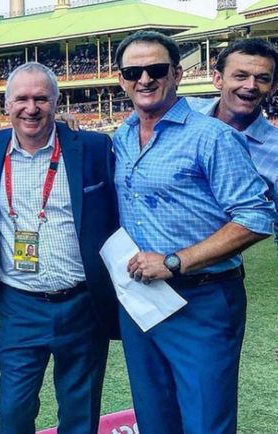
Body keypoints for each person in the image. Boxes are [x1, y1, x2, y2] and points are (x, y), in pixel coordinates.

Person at [113, 31, 274, 434]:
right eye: (134, 71)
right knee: (155, 418)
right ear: (122, 79)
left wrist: (174, 261)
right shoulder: (123, 136)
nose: (145, 79)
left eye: (156, 69)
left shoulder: (213, 136)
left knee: (205, 422)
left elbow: (256, 217)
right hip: (140, 301)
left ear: (178, 74)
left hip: (202, 298)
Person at [0, 62, 120, 434]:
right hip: (19, 305)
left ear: (56, 102)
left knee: (79, 413)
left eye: (41, 98)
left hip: (82, 304)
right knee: (13, 412)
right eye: (21, 98)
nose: (31, 108)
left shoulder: (95, 148)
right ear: (7, 105)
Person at [186, 38, 278, 254]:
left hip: (214, 274)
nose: (251, 86)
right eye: (240, 76)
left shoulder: (275, 151)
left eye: (262, 79)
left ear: (273, 87)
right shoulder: (184, 113)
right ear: (218, 79)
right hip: (144, 263)